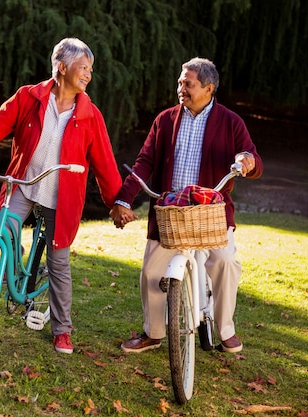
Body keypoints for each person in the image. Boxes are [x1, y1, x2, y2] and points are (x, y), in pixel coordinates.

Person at [0, 38, 122, 354]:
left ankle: (62, 330)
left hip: (61, 197)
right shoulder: (29, 97)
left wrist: (117, 203)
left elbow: (105, 164)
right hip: (24, 184)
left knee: (58, 263)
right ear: (62, 67)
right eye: (83, 68)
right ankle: (12, 276)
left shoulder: (90, 115)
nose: (88, 75)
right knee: (0, 230)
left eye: (90, 69)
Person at [110, 57, 263, 354]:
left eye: (188, 84)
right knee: (151, 272)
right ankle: (152, 333)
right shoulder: (165, 119)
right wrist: (123, 198)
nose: (181, 88)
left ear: (208, 88)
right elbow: (145, 162)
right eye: (180, 82)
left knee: (225, 263)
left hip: (211, 213)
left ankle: (225, 329)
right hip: (169, 211)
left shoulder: (232, 122)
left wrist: (247, 161)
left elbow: (252, 158)